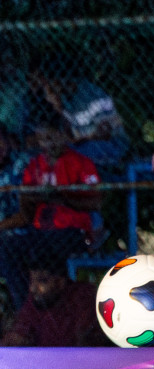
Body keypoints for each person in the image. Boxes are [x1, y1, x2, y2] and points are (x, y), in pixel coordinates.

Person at [0, 121, 100, 311]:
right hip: (39, 232)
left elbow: (95, 202)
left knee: (47, 252)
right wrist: (30, 197)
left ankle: (59, 315)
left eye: (53, 137)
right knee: (8, 247)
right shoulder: (35, 166)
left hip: (71, 231)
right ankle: (26, 313)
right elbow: (27, 212)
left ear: (64, 136)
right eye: (44, 139)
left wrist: (62, 197)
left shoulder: (80, 162)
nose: (50, 143)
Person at [27, 70, 128, 171]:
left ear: (57, 83)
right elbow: (69, 135)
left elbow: (105, 132)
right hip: (84, 146)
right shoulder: (65, 103)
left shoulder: (90, 94)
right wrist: (59, 109)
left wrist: (75, 139)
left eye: (50, 90)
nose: (48, 97)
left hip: (111, 144)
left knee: (65, 154)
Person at [0, 253, 101, 346]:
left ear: (60, 282)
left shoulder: (83, 297)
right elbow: (18, 336)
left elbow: (85, 342)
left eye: (41, 281)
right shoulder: (36, 301)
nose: (33, 288)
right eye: (32, 281)